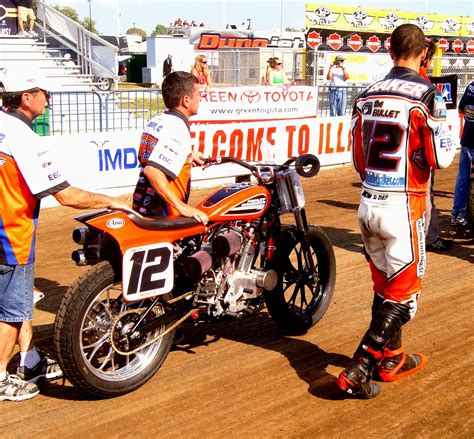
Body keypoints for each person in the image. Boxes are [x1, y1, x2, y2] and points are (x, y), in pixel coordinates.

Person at [337, 24, 455, 399]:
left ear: (390, 51)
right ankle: (359, 366)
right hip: (405, 206)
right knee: (405, 298)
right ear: (423, 54)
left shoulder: (366, 93)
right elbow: (442, 158)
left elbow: (357, 159)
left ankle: (393, 358)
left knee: (384, 286)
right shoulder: (428, 95)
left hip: (368, 202)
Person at [0, 70, 129, 402]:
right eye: (44, 92)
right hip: (11, 236)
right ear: (26, 97)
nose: (48, 99)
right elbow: (66, 196)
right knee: (11, 315)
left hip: (6, 232)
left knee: (19, 304)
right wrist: (109, 200)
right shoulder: (23, 138)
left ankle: (28, 362)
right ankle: (1, 379)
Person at [132, 71, 208, 224]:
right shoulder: (177, 127)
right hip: (162, 216)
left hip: (143, 208)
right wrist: (182, 207)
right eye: (198, 94)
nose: (201, 99)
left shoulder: (159, 120)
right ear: (186, 100)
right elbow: (152, 171)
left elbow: (153, 156)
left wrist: (188, 156)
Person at [420, 39, 453, 251]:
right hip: (420, 158)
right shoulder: (428, 89)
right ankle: (429, 239)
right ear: (426, 59)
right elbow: (439, 136)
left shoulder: (382, 86)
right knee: (426, 197)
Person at [451, 81, 474, 227]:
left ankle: (458, 214)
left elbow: (461, 110)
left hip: (467, 139)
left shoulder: (471, 86)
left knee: (463, 177)